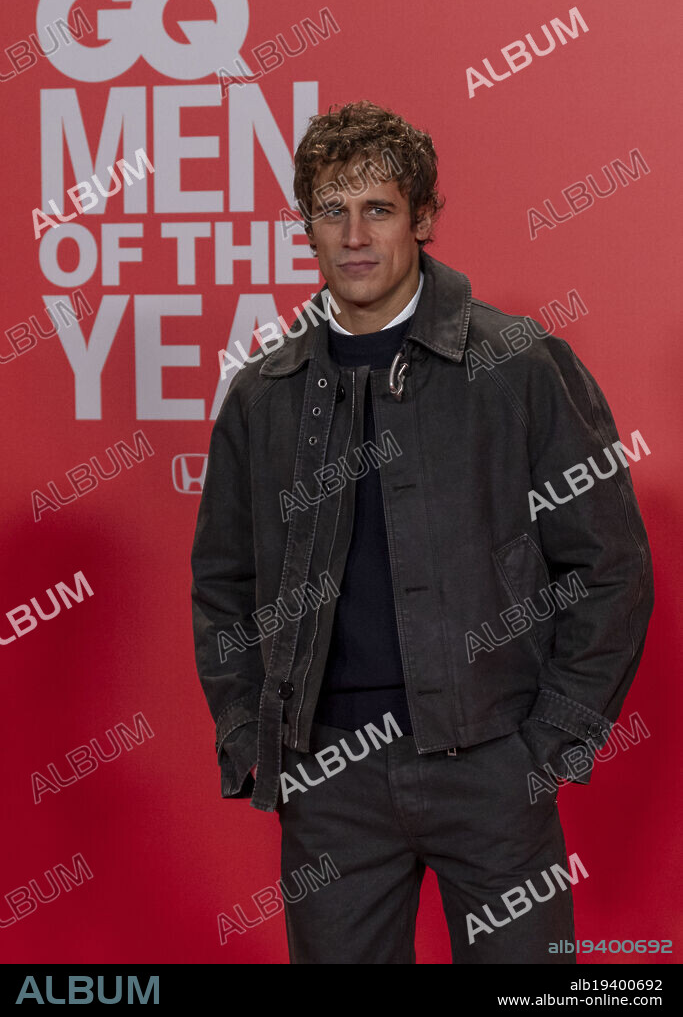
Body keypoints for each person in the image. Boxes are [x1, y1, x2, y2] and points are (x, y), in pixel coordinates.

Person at [190, 100, 654, 964]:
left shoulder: (515, 363)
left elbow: (610, 567)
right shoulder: (264, 393)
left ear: (424, 218)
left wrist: (546, 742)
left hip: (489, 761)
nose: (354, 234)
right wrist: (245, 732)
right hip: (326, 780)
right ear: (308, 226)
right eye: (332, 208)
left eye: (379, 208)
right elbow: (221, 584)